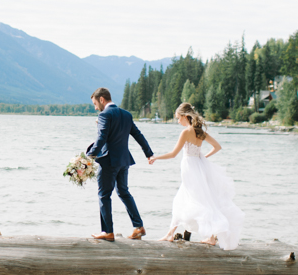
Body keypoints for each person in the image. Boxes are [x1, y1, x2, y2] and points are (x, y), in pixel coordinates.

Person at [148, 103, 244, 249]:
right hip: (198, 166)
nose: (178, 121)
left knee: (189, 200)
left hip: (190, 168)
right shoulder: (200, 132)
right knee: (203, 199)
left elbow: (173, 154)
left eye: (178, 118)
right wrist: (203, 157)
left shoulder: (186, 132)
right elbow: (217, 147)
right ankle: (208, 236)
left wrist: (155, 157)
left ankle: (171, 234)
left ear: (186, 116)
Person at [86, 87, 154, 241]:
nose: (96, 107)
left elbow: (102, 138)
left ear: (102, 99)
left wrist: (89, 157)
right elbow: (138, 135)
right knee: (123, 192)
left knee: (104, 195)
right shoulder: (126, 114)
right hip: (124, 161)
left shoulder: (104, 115)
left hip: (109, 161)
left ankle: (108, 232)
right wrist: (149, 153)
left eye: (95, 104)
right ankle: (138, 226)